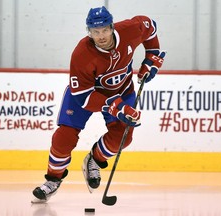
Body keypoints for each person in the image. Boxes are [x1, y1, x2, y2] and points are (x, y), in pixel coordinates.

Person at [31, 6, 166, 203]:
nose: (101, 35)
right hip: (86, 95)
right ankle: (53, 180)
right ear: (89, 32)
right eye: (95, 32)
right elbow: (83, 97)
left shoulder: (130, 29)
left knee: (124, 137)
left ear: (112, 27)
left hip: (122, 90)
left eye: (104, 30)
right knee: (63, 138)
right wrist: (114, 107)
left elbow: (151, 28)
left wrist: (151, 56)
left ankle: (95, 160)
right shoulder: (81, 53)